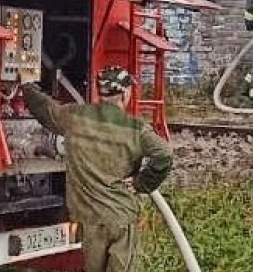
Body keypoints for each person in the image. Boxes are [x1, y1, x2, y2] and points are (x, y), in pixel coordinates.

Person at [17, 65, 172, 272]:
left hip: (89, 220)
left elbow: (44, 108)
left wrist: (27, 84)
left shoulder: (75, 117)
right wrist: (141, 183)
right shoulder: (135, 129)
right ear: (125, 93)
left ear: (101, 92)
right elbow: (164, 154)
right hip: (120, 219)